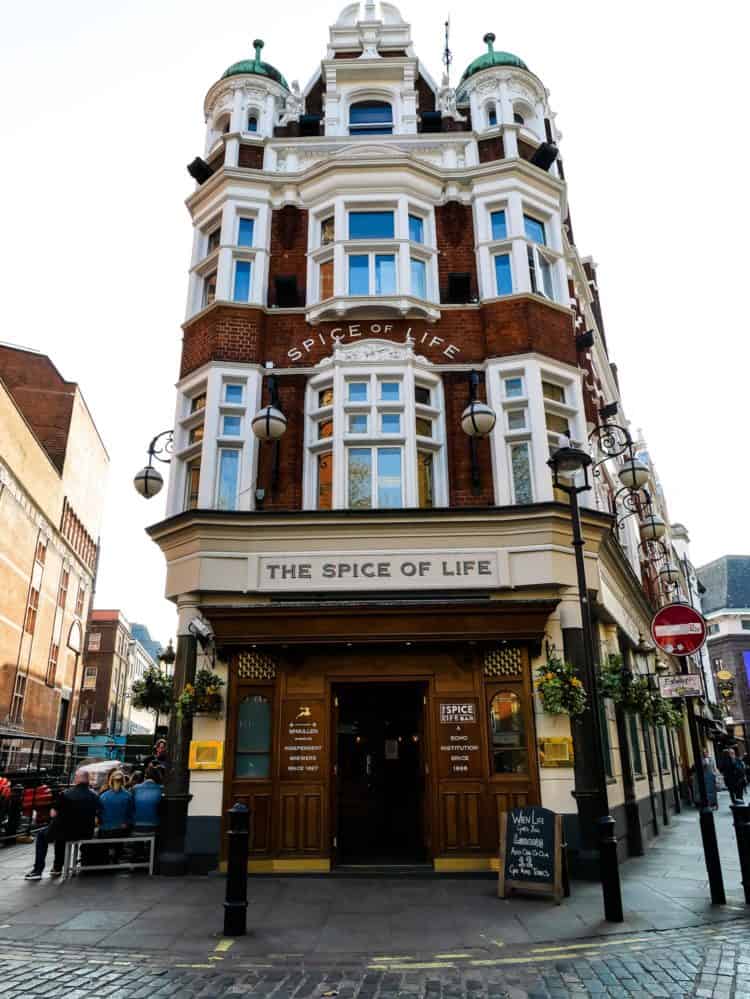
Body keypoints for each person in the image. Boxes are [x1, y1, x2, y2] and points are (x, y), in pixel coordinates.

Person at [25, 769, 102, 880]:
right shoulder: (95, 796)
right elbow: (99, 813)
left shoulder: (66, 794)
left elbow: (53, 813)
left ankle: (38, 870)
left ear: (77, 779)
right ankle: (57, 867)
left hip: (64, 831)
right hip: (85, 832)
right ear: (88, 780)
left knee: (43, 836)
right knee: (60, 835)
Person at [97, 770, 134, 864]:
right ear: (123, 781)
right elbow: (130, 814)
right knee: (119, 844)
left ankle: (106, 859)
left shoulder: (103, 796)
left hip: (105, 830)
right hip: (121, 829)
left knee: (104, 844)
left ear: (110, 780)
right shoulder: (128, 796)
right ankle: (115, 859)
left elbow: (99, 814)